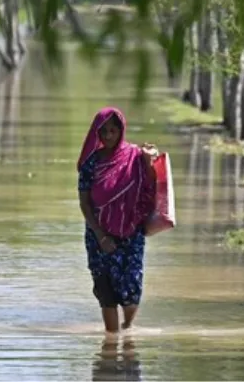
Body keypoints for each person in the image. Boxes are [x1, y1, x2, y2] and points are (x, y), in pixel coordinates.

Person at [77, 106, 159, 334]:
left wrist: (148, 162)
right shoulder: (90, 165)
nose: (109, 136)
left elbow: (150, 187)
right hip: (98, 235)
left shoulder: (134, 156)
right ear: (97, 134)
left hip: (131, 232)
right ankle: (111, 343)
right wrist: (101, 236)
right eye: (103, 132)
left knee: (131, 286)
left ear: (121, 130)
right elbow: (84, 203)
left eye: (113, 131)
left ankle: (128, 327)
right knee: (106, 290)